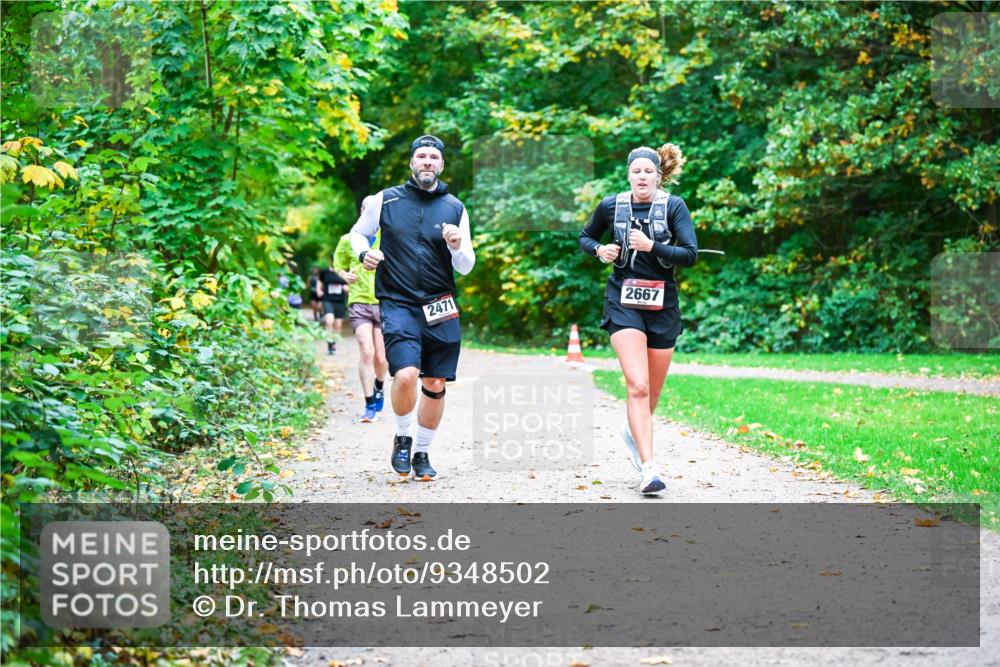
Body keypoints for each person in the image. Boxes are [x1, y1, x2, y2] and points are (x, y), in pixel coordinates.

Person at [350, 134, 475, 481]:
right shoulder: (384, 200)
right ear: (411, 162)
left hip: (440, 305)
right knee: (405, 374)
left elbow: (465, 265)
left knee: (435, 381)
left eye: (434, 157)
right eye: (421, 156)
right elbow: (357, 234)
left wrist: (456, 245)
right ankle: (403, 437)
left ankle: (422, 451)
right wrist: (365, 253)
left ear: (442, 165)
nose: (427, 162)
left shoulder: (455, 207)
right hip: (398, 301)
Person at [579, 143, 697, 495]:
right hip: (623, 301)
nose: (642, 176)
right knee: (638, 386)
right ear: (628, 175)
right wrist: (600, 250)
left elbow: (689, 255)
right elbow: (586, 237)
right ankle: (649, 469)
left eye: (649, 171)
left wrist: (652, 247)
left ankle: (633, 432)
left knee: (652, 393)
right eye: (636, 171)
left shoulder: (673, 206)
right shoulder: (612, 206)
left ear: (658, 176)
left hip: (663, 305)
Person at [334, 196, 388, 423]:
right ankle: (369, 405)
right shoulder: (348, 239)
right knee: (367, 351)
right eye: (366, 208)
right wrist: (344, 275)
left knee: (382, 358)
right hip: (358, 301)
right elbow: (337, 264)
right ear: (362, 211)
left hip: (384, 300)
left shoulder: (388, 236)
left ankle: (379, 385)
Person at [319, 255, 348, 355]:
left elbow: (348, 284)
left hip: (340, 301)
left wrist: (347, 288)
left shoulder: (343, 272)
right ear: (331, 260)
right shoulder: (325, 272)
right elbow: (320, 281)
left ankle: (334, 345)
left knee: (338, 326)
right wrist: (319, 290)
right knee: (329, 320)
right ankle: (329, 345)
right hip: (328, 299)